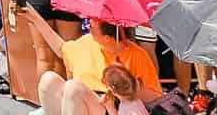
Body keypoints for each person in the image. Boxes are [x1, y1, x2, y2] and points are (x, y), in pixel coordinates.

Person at [28, 16, 160, 115]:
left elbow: (155, 97)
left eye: (91, 25)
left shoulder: (136, 54)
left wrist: (127, 83)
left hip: (114, 108)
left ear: (107, 38)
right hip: (85, 101)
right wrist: (32, 16)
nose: (88, 26)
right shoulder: (88, 42)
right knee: (48, 80)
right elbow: (61, 48)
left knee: (74, 88)